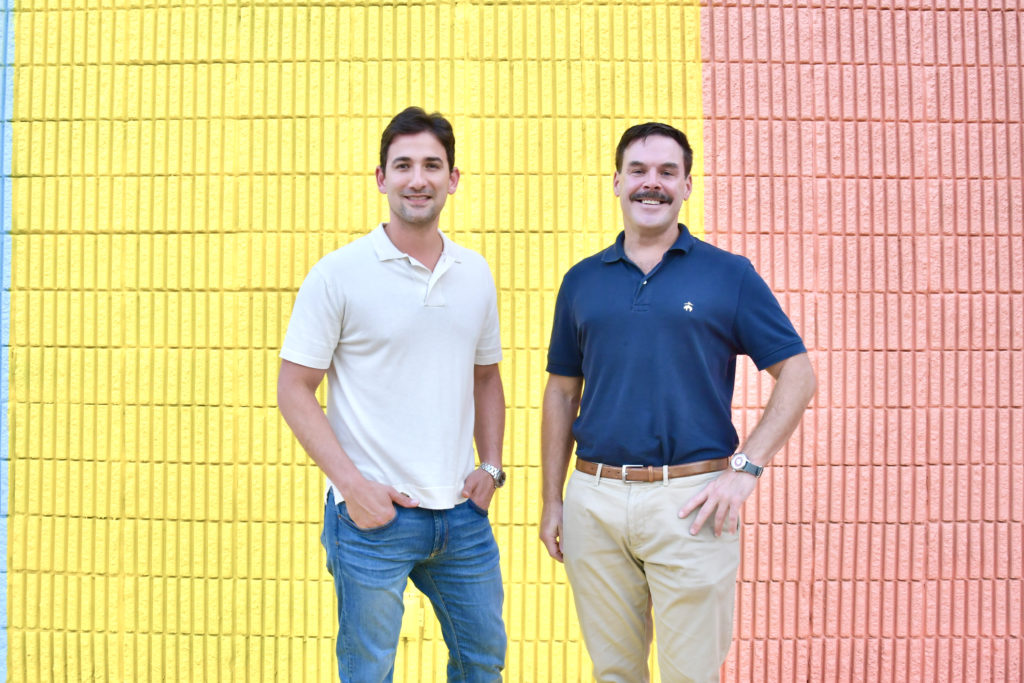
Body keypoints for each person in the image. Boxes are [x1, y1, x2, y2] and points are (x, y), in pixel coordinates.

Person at [539, 122, 817, 683]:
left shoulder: (728, 275)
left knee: (691, 676)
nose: (652, 184)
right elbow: (562, 391)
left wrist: (746, 469)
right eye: (638, 171)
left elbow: (798, 375)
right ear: (616, 182)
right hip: (594, 498)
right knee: (614, 672)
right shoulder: (581, 281)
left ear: (688, 186)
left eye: (668, 172)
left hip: (692, 503)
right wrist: (553, 500)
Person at [278, 106, 507, 683]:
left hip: (461, 516)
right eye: (402, 165)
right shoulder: (338, 274)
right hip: (371, 519)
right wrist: (353, 488)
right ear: (380, 177)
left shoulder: (474, 273)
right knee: (368, 672)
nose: (417, 178)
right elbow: (294, 388)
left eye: (432, 165)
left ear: (453, 178)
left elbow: (486, 377)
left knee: (483, 663)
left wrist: (493, 467)